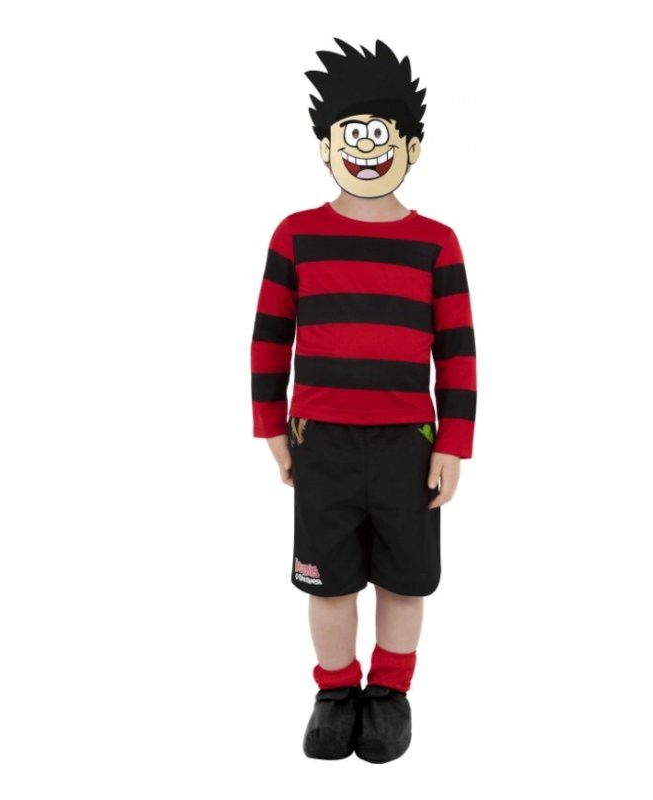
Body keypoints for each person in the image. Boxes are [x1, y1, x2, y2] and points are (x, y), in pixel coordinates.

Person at [250, 38, 477, 763]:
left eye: (383, 135)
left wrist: (453, 443)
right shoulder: (296, 235)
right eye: (352, 134)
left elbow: (458, 352)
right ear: (326, 147)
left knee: (406, 581)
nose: (367, 148)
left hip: (409, 445)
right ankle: (335, 690)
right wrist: (272, 429)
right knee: (329, 581)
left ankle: (389, 695)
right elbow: (269, 338)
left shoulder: (437, 243)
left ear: (411, 147)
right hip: (322, 442)